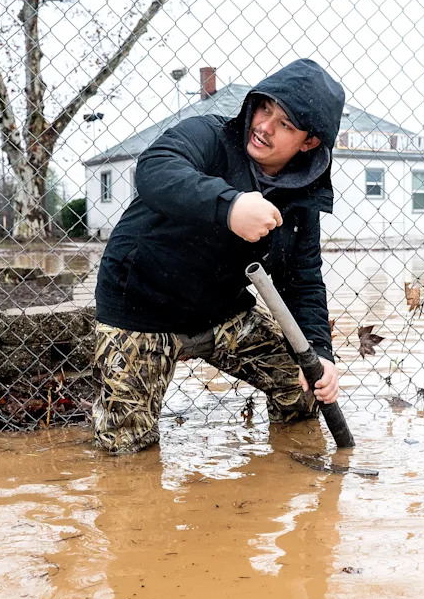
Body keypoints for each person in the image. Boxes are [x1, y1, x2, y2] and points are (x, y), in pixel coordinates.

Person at [91, 58, 346, 454]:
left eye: (285, 124)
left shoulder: (301, 197)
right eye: (264, 108)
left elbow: (303, 280)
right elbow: (155, 169)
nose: (264, 126)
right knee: (125, 454)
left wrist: (320, 352)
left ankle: (284, 473)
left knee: (303, 389)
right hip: (140, 308)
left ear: (309, 142)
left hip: (221, 313)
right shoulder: (209, 135)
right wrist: (230, 207)